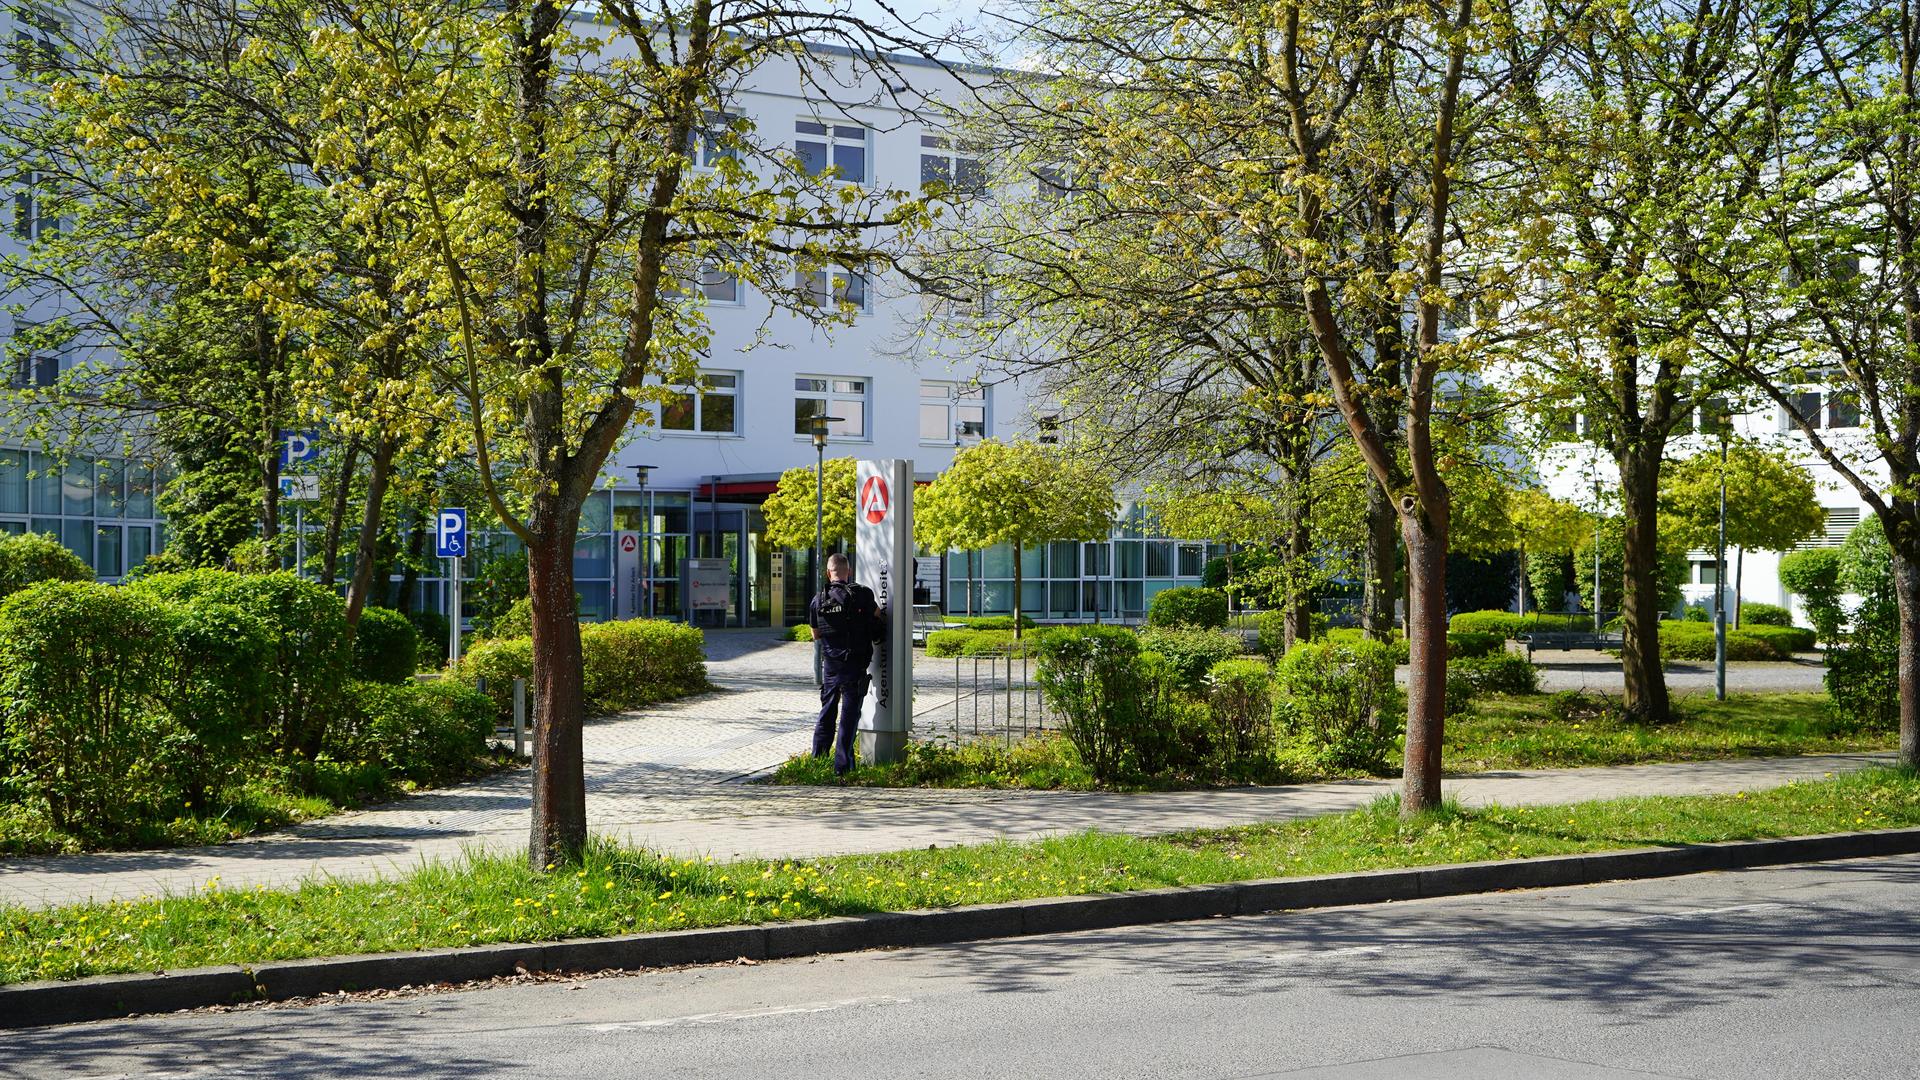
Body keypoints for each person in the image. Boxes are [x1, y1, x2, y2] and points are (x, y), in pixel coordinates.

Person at [808, 552, 884, 774]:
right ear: (848, 571)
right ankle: (843, 766)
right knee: (850, 714)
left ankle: (818, 758)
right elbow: (878, 618)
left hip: (831, 664)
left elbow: (816, 635)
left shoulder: (818, 599)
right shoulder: (862, 594)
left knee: (828, 710)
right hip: (855, 662)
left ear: (828, 573)